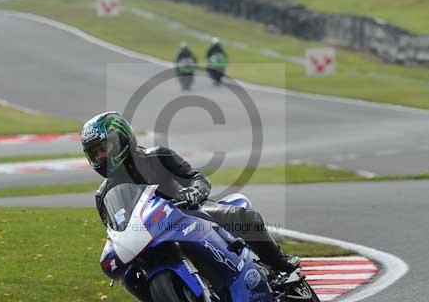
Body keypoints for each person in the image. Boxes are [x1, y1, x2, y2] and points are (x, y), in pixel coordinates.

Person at [81, 111, 299, 274]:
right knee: (130, 274)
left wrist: (194, 192)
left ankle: (279, 263)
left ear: (120, 139)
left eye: (104, 148)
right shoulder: (103, 196)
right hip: (150, 236)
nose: (100, 157)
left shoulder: (157, 156)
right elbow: (115, 232)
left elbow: (197, 177)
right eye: (95, 153)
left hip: (189, 213)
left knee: (242, 216)